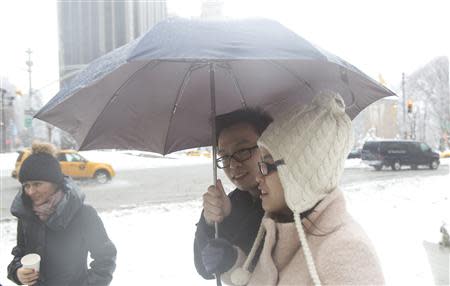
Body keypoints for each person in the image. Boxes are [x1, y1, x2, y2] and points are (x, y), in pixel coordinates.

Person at [202, 91, 385, 285]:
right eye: (225, 157)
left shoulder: (346, 251)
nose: (258, 176)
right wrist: (232, 263)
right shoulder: (280, 228)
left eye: (267, 165)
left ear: (301, 170)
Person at [7, 142, 117, 286]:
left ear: (55, 183)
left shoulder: (84, 214)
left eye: (37, 184)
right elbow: (19, 254)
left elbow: (106, 259)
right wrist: (17, 272)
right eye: (26, 185)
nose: (31, 191)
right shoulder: (27, 216)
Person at [194, 108, 273, 279]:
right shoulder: (234, 201)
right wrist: (210, 222)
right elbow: (205, 269)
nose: (233, 165)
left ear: (269, 146)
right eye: (224, 157)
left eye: (243, 151)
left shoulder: (289, 204)